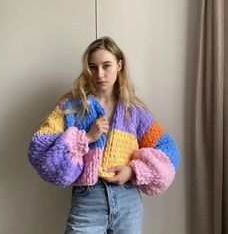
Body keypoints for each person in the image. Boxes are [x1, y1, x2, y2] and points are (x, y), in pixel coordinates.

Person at [28, 36, 180, 234]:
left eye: (106, 66)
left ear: (119, 65)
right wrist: (87, 138)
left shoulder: (134, 112)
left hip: (128, 202)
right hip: (87, 201)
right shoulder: (72, 107)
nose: (99, 74)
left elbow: (169, 151)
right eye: (92, 67)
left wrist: (133, 171)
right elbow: (39, 148)